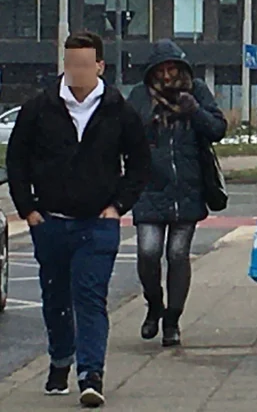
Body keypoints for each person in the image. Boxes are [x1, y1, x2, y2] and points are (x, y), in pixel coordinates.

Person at [5, 31, 151, 408]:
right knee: (55, 298)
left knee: (90, 297)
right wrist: (28, 209)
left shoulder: (119, 110)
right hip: (49, 221)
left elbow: (139, 164)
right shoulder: (39, 108)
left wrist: (118, 206)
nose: (77, 71)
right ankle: (60, 358)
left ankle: (91, 374)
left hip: (97, 223)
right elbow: (17, 160)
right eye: (70, 64)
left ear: (100, 66)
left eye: (85, 64)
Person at [127, 40, 227, 347]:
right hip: (149, 187)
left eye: (173, 68)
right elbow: (126, 134)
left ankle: (172, 320)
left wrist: (194, 111)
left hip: (187, 187)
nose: (168, 75)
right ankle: (154, 305)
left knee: (178, 254)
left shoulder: (195, 91)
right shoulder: (140, 96)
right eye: (162, 69)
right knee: (147, 252)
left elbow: (217, 129)